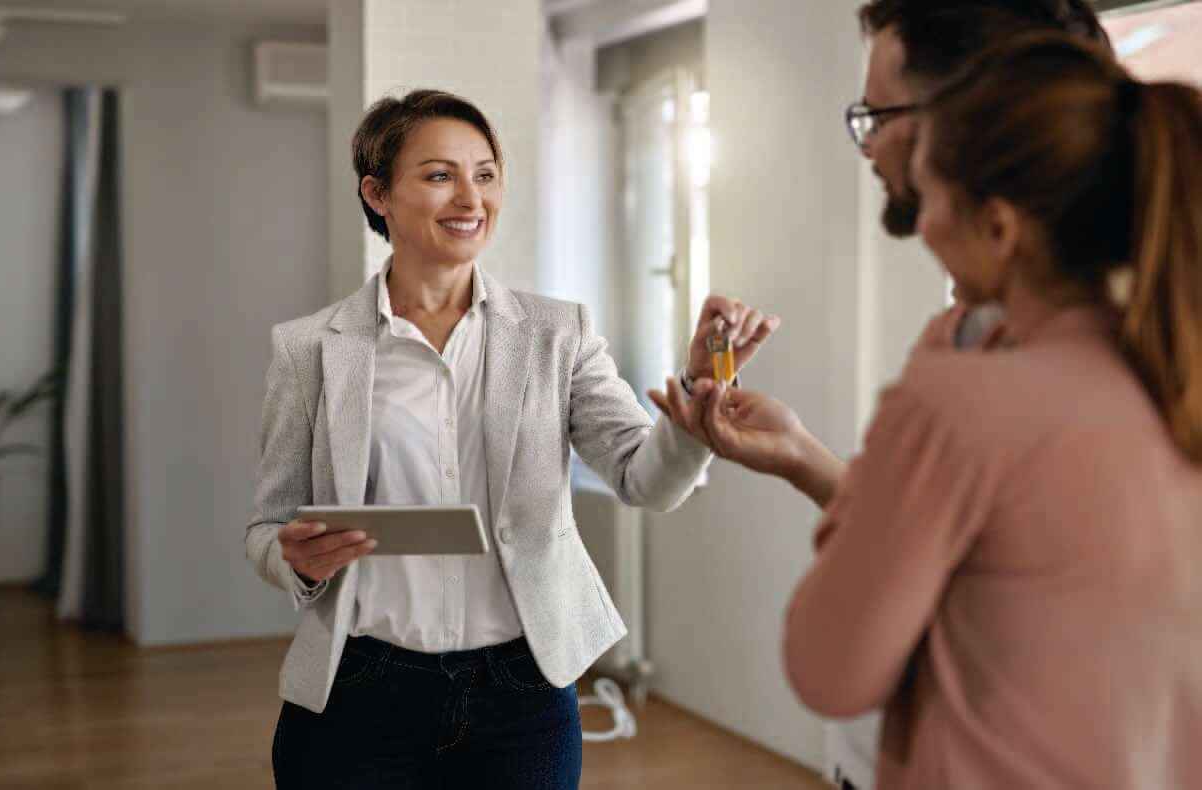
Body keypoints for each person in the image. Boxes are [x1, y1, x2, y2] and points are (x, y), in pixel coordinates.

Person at [666, 33, 1202, 788]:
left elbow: (827, 670)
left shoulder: (958, 394)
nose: (918, 221)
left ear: (1000, 225)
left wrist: (921, 399)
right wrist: (803, 456)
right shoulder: (1172, 366)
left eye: (930, 182)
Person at [244, 89, 778, 789]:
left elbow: (645, 481)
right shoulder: (310, 349)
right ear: (377, 194)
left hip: (521, 694)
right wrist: (294, 558)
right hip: (360, 687)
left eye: (486, 173)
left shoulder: (560, 334)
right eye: (440, 175)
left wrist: (696, 407)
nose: (472, 197)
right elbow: (268, 526)